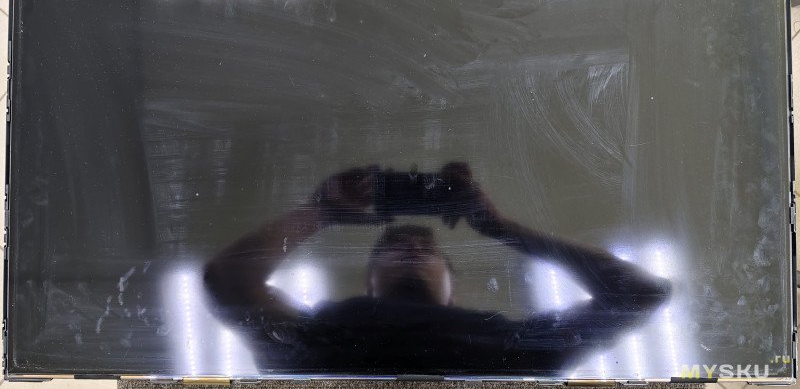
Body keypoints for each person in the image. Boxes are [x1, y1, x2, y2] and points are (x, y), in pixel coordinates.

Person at [204, 162, 670, 375]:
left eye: (427, 247)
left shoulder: (507, 344)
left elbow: (641, 293)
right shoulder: (319, 335)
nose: (411, 245)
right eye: (393, 246)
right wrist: (321, 213)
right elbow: (227, 281)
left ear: (453, 288)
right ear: (369, 282)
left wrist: (501, 227)